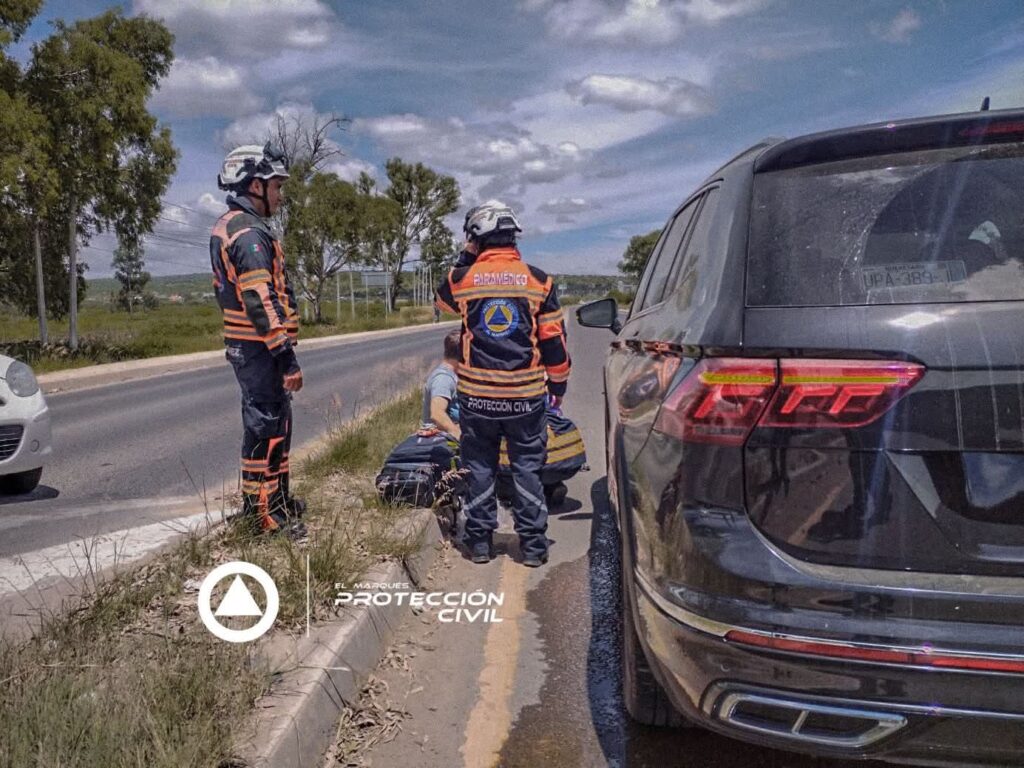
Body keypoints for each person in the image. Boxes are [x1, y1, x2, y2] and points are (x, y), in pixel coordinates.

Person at [435, 200, 571, 567]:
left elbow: (442, 298)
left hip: (478, 399)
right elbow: (554, 343)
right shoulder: (540, 281)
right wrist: (557, 387)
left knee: (479, 467)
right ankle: (533, 547)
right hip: (525, 398)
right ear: (513, 237)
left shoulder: (463, 281)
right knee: (527, 468)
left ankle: (479, 543)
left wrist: (467, 256)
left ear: (476, 239)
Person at [210, 143, 305, 537]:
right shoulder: (247, 233)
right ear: (254, 185)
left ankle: (278, 500)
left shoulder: (239, 226)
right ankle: (261, 514)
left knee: (276, 423)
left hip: (255, 347)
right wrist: (285, 356)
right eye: (276, 186)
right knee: (265, 427)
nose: (280, 195)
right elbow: (258, 299)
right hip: (260, 348)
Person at [422, 329, 462, 439]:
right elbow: (437, 414)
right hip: (443, 445)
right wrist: (458, 435)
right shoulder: (443, 379)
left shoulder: (454, 375)